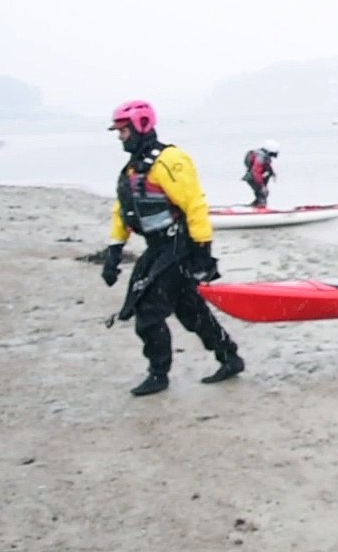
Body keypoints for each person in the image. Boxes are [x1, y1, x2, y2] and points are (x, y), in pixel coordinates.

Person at [102, 99, 246, 397]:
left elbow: (195, 205)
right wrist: (114, 250)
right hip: (157, 247)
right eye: (118, 131)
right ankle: (229, 357)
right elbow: (123, 210)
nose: (120, 137)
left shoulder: (170, 160)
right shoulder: (133, 169)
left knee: (149, 312)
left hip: (179, 246)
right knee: (189, 309)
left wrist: (203, 252)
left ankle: (158, 374)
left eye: (123, 131)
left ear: (141, 126)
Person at [241, 139, 279, 208]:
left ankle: (256, 205)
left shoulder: (264, 156)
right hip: (253, 177)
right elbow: (256, 171)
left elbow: (267, 166)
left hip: (254, 177)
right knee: (263, 192)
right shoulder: (260, 157)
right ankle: (261, 207)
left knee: (261, 193)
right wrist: (261, 184)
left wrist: (272, 173)